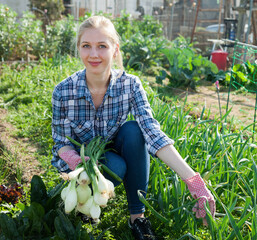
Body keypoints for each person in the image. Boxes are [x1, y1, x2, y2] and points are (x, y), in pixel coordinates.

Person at [51, 15, 215, 240]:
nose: (94, 54)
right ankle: (84, 201)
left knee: (135, 130)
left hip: (112, 152)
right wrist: (79, 163)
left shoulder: (130, 85)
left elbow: (153, 133)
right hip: (82, 164)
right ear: (78, 48)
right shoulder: (63, 91)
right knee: (115, 167)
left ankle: (138, 218)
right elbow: (61, 142)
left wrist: (194, 182)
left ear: (115, 49)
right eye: (86, 46)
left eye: (102, 46)